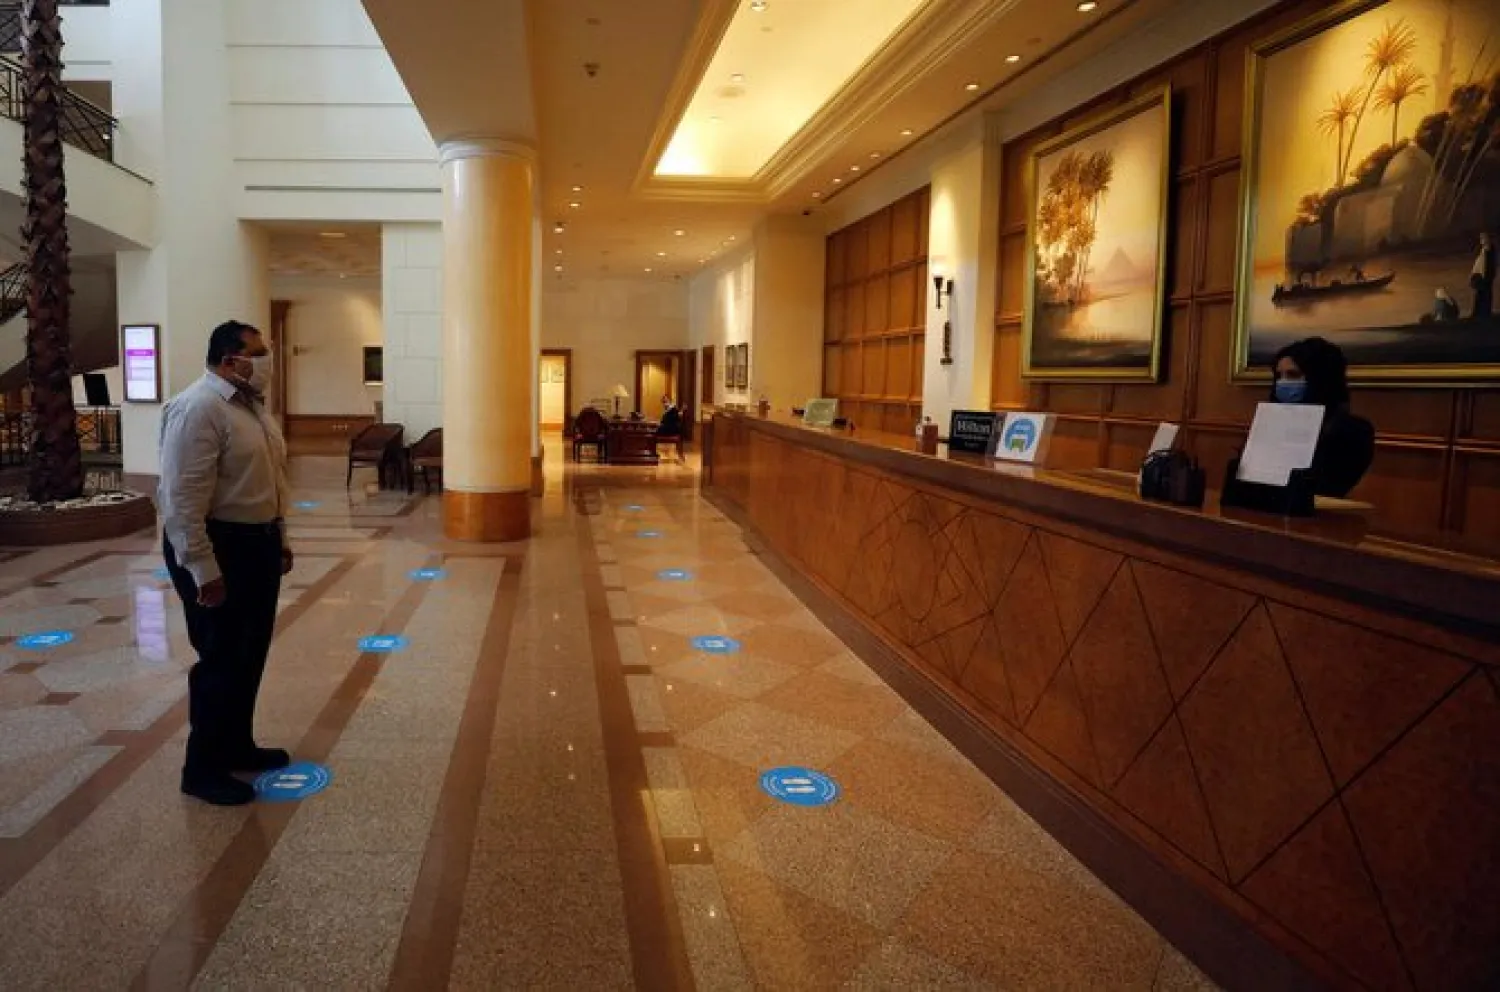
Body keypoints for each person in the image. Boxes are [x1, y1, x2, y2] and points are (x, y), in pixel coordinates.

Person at [159, 320, 294, 806]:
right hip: (219, 546)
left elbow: (271, 480)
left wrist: (279, 537)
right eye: (256, 353)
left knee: (249, 653)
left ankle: (237, 744)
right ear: (228, 358)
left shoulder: (252, 408)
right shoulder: (198, 409)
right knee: (220, 658)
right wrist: (203, 570)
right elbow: (181, 501)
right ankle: (202, 768)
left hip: (256, 543)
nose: (265, 362)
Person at [1269, 336, 1375, 498]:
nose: (1282, 383)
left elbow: (1328, 485)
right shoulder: (1270, 422)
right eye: (1279, 376)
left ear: (1319, 378)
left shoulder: (1353, 431)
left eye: (1293, 375)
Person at [1471, 232, 1495, 321]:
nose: (1481, 240)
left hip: (1485, 277)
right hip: (1481, 277)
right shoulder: (1482, 249)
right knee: (1480, 295)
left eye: (1483, 238)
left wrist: (1484, 276)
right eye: (1481, 238)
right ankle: (1479, 313)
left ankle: (1483, 314)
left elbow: (1487, 265)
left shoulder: (1489, 250)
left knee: (1484, 295)